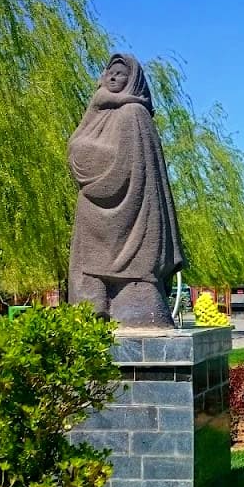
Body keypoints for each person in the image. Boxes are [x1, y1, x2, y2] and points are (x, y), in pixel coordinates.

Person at [68, 53, 186, 326]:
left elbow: (133, 165)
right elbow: (76, 148)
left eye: (120, 73)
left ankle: (132, 300)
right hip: (95, 205)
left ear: (133, 79)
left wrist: (92, 155)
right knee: (88, 260)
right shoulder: (101, 112)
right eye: (110, 72)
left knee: (135, 273)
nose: (113, 77)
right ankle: (97, 304)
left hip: (130, 204)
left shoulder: (134, 114)